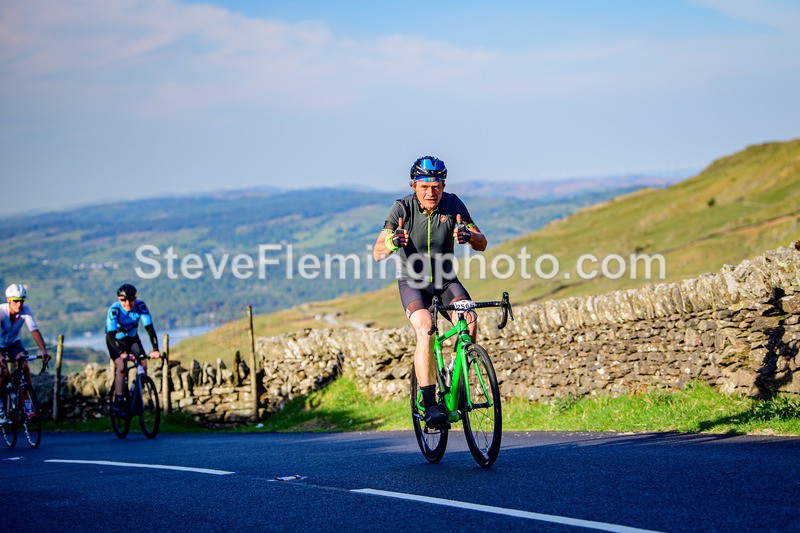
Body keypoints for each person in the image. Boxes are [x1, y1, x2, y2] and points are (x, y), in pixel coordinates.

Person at [373, 156, 487, 428]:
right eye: (424, 186)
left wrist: (468, 236)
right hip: (413, 284)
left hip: (446, 281)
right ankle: (428, 401)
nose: (430, 192)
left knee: (469, 319)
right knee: (426, 328)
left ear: (443, 185)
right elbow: (378, 252)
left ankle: (455, 379)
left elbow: (482, 242)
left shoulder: (453, 204)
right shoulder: (401, 208)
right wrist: (392, 240)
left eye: (436, 186)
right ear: (414, 185)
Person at [0, 284, 51, 424]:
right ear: (8, 300)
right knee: (3, 371)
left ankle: (28, 402)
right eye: (16, 300)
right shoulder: (1, 312)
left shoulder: (25, 311)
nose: (19, 303)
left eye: (22, 300)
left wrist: (44, 351)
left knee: (24, 365)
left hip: (13, 344)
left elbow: (34, 330)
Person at [106, 283, 160, 415]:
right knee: (122, 367)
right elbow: (111, 335)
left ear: (135, 298)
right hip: (115, 342)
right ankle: (119, 401)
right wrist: (121, 353)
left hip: (132, 340)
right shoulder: (114, 310)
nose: (127, 303)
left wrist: (155, 349)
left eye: (131, 299)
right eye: (123, 300)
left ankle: (136, 393)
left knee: (143, 364)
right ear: (119, 299)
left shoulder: (140, 306)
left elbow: (150, 328)